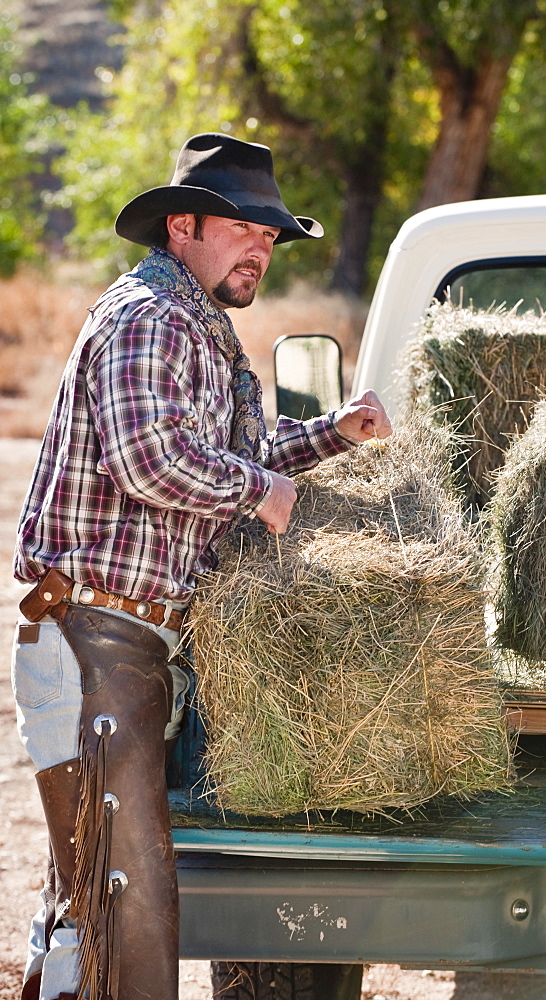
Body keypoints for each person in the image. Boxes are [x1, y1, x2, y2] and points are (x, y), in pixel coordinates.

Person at [11, 132, 392, 1000]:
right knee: (123, 913)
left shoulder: (189, 319)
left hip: (124, 643)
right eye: (246, 228)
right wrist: (259, 490)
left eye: (271, 235)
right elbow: (151, 460)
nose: (263, 246)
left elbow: (219, 455)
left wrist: (332, 434)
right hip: (96, 640)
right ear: (183, 224)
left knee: (97, 908)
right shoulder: (150, 317)